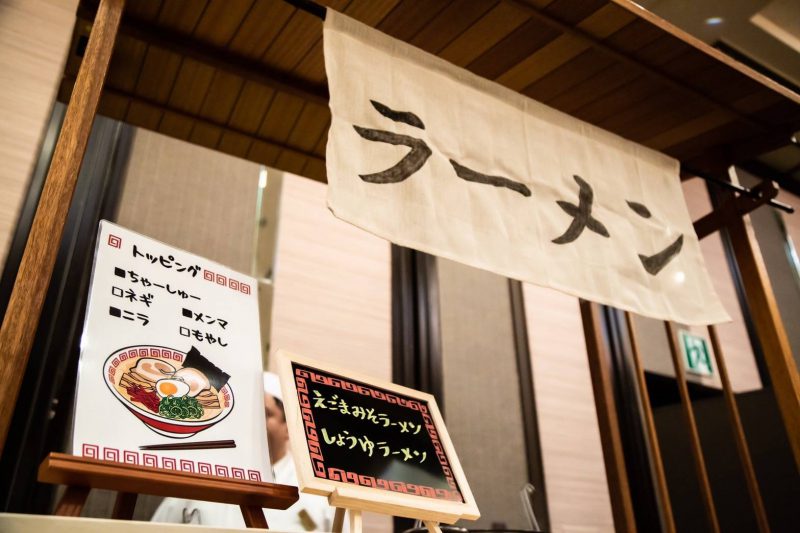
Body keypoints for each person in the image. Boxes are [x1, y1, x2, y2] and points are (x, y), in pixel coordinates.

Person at [151, 372, 334, 530]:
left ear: (288, 429)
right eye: (247, 412)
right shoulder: (201, 474)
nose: (252, 421)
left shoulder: (315, 490)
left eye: (264, 413)